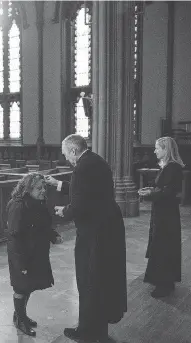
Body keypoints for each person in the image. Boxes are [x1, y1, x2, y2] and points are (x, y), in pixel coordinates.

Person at [45, 134, 127, 342]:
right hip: (107, 227)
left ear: (74, 150)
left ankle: (88, 331)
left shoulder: (82, 167)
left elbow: (81, 203)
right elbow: (86, 191)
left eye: (66, 155)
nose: (67, 160)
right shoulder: (95, 161)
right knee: (101, 278)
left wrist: (66, 211)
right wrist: (58, 184)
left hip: (94, 232)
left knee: (89, 279)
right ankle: (97, 329)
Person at [6, 172, 63, 337]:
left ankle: (20, 316)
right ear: (27, 189)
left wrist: (53, 236)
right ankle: (20, 321)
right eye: (39, 188)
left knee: (28, 286)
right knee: (20, 288)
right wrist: (20, 264)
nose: (43, 190)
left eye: (44, 187)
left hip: (36, 252)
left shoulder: (38, 202)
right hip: (22, 254)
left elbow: (43, 225)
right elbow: (14, 237)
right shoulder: (17, 205)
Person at [138, 136, 184, 298]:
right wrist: (151, 189)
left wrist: (151, 193)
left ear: (166, 150)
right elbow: (163, 188)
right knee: (161, 243)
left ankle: (164, 284)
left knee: (163, 244)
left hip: (166, 213)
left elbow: (169, 192)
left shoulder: (172, 168)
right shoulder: (168, 167)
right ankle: (164, 280)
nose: (155, 150)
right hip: (164, 211)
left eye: (158, 148)